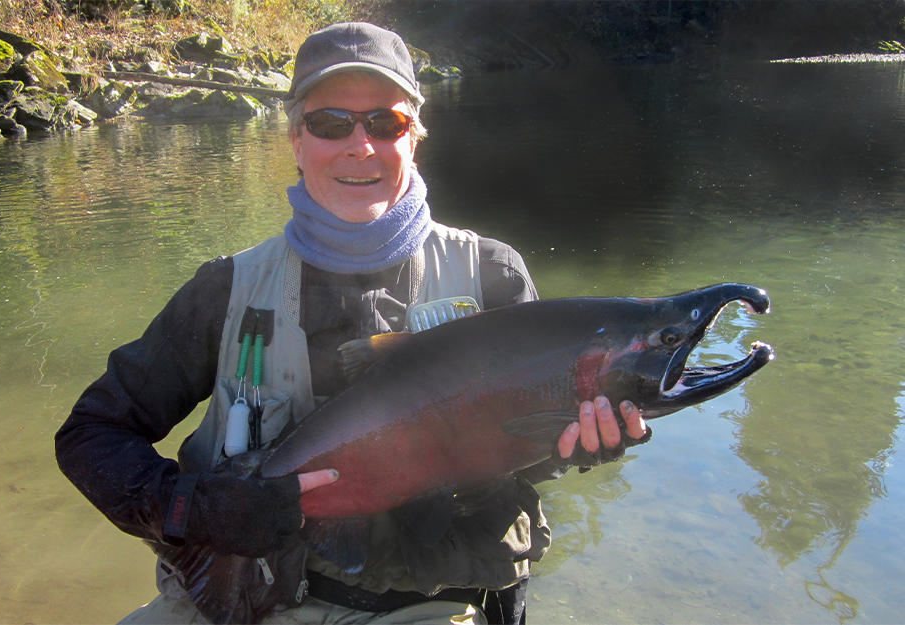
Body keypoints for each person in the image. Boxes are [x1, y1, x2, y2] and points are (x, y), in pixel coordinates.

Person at [55, 22, 649, 625]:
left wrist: (576, 444)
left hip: (428, 605)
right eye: (331, 123)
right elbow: (90, 434)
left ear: (414, 136)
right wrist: (196, 509)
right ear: (295, 138)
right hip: (246, 598)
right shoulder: (225, 290)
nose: (359, 145)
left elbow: (530, 448)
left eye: (385, 123)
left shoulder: (491, 275)